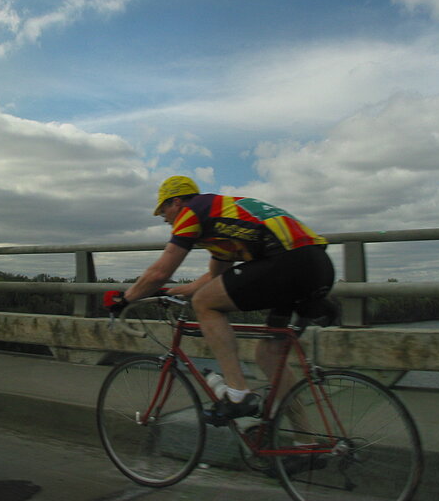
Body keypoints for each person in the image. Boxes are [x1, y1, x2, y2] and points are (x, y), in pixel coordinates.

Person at [105, 175, 334, 424]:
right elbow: (216, 278)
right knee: (269, 356)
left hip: (287, 261)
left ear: (177, 202)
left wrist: (125, 299)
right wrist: (170, 292)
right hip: (316, 264)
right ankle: (306, 441)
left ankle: (237, 393)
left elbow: (161, 272)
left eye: (163, 210)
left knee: (204, 303)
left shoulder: (192, 212)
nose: (164, 218)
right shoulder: (221, 219)